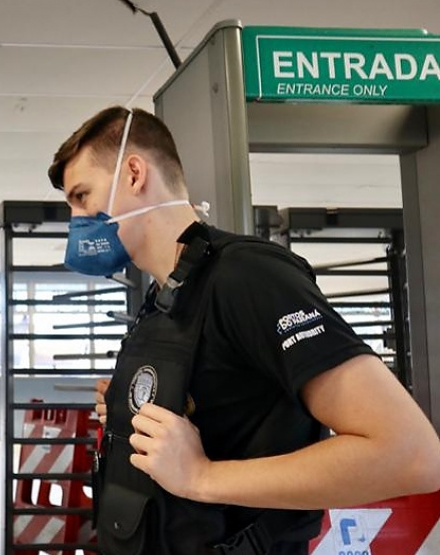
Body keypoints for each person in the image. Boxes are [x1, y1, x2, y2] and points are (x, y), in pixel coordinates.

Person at [47, 105, 440, 555]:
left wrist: (202, 477)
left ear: (134, 173)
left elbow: (410, 453)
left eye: (82, 196)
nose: (77, 220)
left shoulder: (246, 277)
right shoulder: (164, 299)